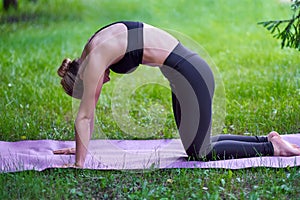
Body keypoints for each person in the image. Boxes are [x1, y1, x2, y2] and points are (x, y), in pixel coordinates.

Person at [53, 21, 300, 167]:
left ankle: (274, 149)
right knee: (196, 148)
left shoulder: (95, 59)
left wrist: (78, 164)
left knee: (200, 152)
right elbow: (90, 108)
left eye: (97, 84)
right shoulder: (92, 46)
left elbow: (85, 115)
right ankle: (267, 140)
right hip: (183, 77)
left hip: (191, 76)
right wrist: (81, 147)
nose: (104, 82)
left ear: (83, 78)